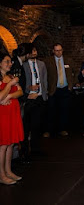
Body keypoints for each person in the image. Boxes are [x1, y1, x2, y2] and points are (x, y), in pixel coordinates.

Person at [0, 52, 24, 185]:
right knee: (3, 145)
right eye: (7, 62)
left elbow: (20, 92)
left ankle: (8, 171)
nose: (10, 64)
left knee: (10, 144)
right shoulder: (4, 79)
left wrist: (9, 96)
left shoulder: (10, 76)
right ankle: (1, 174)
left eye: (10, 62)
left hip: (12, 113)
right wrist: (10, 85)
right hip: (2, 115)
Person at [22, 44, 48, 157]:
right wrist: (28, 88)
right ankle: (24, 151)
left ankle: (35, 149)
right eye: (32, 50)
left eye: (35, 50)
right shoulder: (23, 65)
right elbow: (21, 82)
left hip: (39, 98)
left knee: (37, 126)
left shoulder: (41, 64)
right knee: (26, 126)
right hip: (29, 98)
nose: (34, 52)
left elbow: (45, 79)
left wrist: (45, 95)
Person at [45, 43, 74, 137]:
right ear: (53, 51)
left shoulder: (68, 60)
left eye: (60, 50)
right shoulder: (48, 61)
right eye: (57, 50)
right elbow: (45, 75)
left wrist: (72, 84)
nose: (59, 52)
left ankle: (62, 129)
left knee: (64, 110)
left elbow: (74, 71)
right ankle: (49, 130)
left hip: (65, 89)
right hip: (53, 89)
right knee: (51, 111)